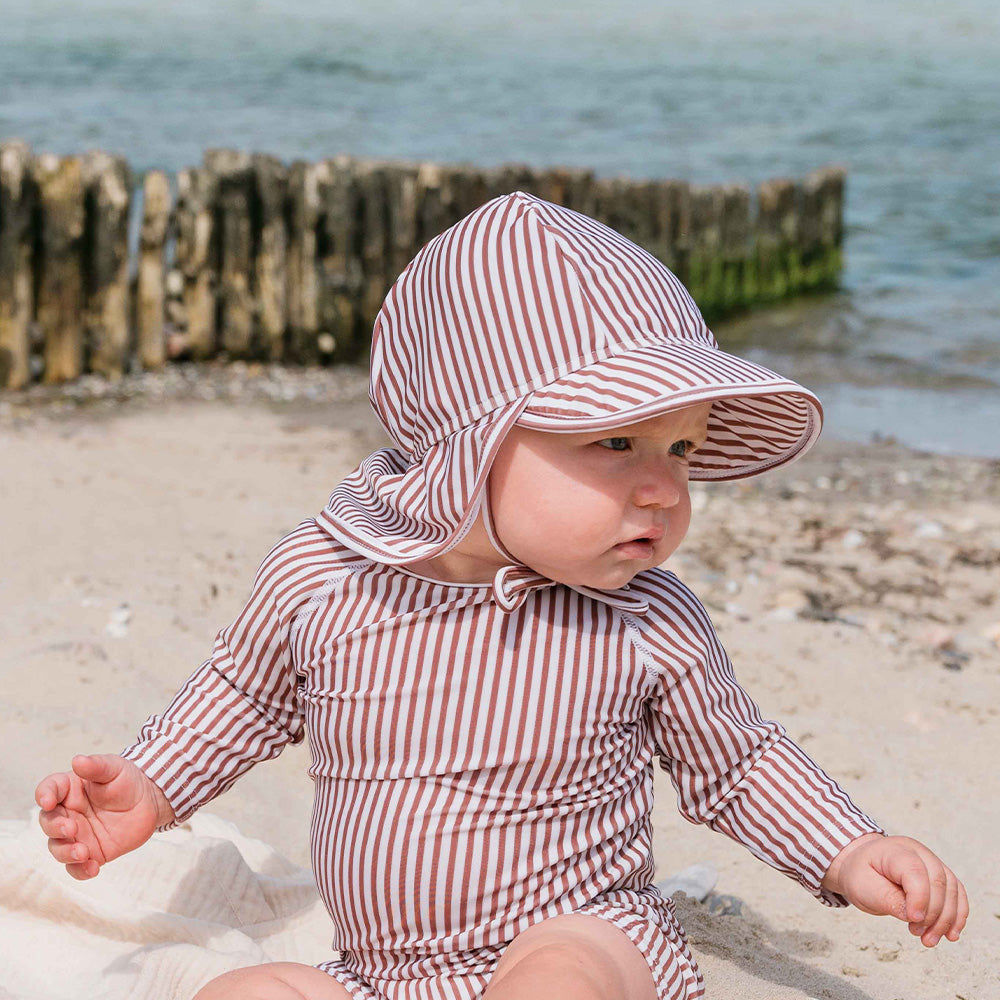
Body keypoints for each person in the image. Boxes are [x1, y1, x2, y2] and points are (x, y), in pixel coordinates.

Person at [35, 192, 968, 1000]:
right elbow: (239, 697)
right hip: (382, 972)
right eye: (618, 444)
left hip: (589, 930)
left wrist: (849, 851)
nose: (666, 489)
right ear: (471, 443)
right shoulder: (324, 579)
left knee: (559, 977)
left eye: (682, 449)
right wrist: (151, 788)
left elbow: (739, 763)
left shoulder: (646, 615)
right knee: (247, 989)